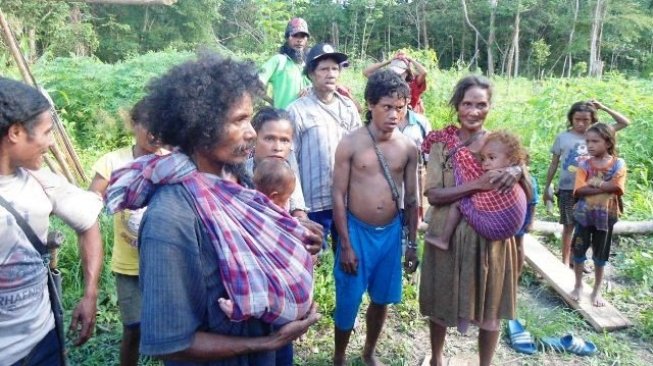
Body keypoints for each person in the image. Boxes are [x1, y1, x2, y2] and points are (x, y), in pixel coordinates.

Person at [105, 54, 321, 365]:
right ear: (200, 127)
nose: (251, 132)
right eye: (239, 120)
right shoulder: (171, 219)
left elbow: (256, 248)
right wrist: (267, 342)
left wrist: (291, 237)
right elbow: (173, 343)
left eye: (250, 119)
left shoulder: (237, 181)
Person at [419, 75, 523, 366]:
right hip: (447, 237)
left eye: (481, 104)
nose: (474, 111)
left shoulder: (499, 144)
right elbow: (435, 195)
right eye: (467, 103)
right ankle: (437, 358)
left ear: (489, 106)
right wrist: (476, 185)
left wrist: (519, 171)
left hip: (490, 239)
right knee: (441, 301)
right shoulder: (443, 144)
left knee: (490, 309)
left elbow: (523, 185)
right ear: (457, 104)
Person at [0, 77, 103, 365]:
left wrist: (90, 293)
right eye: (46, 132)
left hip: (42, 344)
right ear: (16, 132)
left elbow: (89, 222)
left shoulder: (42, 183)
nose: (51, 142)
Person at [331, 70, 419, 366]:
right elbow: (338, 196)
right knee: (348, 299)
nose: (394, 114)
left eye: (401, 107)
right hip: (356, 232)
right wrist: (345, 244)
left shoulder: (408, 147)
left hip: (391, 234)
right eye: (387, 106)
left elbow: (412, 199)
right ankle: (339, 356)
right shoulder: (351, 144)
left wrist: (412, 244)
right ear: (370, 104)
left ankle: (369, 352)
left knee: (381, 299)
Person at [88, 99, 166, 366]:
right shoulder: (113, 161)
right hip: (129, 264)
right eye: (149, 126)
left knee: (169, 326)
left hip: (164, 261)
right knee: (133, 327)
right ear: (134, 125)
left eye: (162, 126)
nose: (156, 133)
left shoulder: (170, 162)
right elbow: (90, 202)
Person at [288, 43, 362, 251]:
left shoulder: (348, 108)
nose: (331, 74)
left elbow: (360, 152)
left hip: (347, 201)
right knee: (313, 260)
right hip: (313, 204)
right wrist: (297, 207)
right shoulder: (297, 111)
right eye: (324, 69)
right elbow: (290, 160)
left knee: (347, 258)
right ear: (311, 74)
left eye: (335, 68)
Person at [543, 100, 630, 266]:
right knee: (568, 226)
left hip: (592, 191)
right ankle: (565, 262)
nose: (581, 123)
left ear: (593, 121)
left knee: (587, 227)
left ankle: (578, 261)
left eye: (586, 120)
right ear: (571, 119)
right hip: (568, 189)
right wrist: (547, 186)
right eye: (577, 119)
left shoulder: (599, 135)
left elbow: (624, 122)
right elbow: (554, 163)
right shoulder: (563, 138)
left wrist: (603, 107)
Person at [425, 130, 530, 250]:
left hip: (494, 230)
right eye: (483, 159)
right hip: (506, 229)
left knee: (458, 203)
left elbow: (525, 175)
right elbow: (432, 196)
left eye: (491, 158)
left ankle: (444, 240)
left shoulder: (506, 171)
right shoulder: (441, 147)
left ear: (511, 160)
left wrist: (519, 169)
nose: (485, 164)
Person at [218, 157, 296, 316]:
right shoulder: (269, 209)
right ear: (274, 196)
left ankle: (243, 306)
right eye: (287, 197)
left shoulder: (248, 199)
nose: (288, 202)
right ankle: (245, 308)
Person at [570, 123, 626, 307]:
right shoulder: (584, 164)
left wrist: (594, 183)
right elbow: (578, 191)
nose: (590, 145)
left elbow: (617, 188)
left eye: (595, 141)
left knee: (600, 255)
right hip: (584, 216)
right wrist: (605, 186)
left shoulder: (619, 164)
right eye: (587, 141)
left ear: (608, 143)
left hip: (606, 217)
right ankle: (578, 285)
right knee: (579, 250)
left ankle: (596, 290)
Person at [246, 107, 308, 219]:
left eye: (284, 140)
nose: (277, 148)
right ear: (254, 138)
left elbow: (299, 213)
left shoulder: (287, 175)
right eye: (269, 139)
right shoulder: (238, 174)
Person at [259, 17, 312, 109]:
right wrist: (272, 102)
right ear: (287, 38)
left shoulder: (306, 65)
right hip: (282, 119)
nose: (299, 40)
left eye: (302, 36)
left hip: (305, 120)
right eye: (295, 35)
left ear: (306, 39)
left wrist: (309, 89)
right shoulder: (278, 61)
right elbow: (256, 83)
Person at [363, 51, 428, 114]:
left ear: (407, 72)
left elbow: (424, 72)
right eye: (394, 72)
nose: (397, 76)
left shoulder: (414, 83)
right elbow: (366, 72)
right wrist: (389, 61)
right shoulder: (386, 82)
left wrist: (410, 59)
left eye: (400, 73)